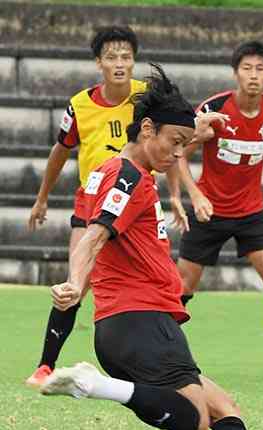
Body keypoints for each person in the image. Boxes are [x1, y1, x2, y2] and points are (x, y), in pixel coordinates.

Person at [39, 65, 263, 430]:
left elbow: (96, 227)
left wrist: (196, 132)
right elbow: (95, 236)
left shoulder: (117, 169)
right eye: (174, 142)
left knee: (225, 409)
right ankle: (93, 384)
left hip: (137, 323)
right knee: (195, 421)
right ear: (147, 129)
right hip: (139, 321)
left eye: (186, 144)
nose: (179, 153)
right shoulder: (128, 177)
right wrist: (73, 281)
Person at [26, 26, 157, 386]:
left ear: (134, 61)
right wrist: (42, 198)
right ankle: (45, 366)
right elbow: (60, 151)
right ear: (99, 62)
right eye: (112, 57)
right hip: (91, 201)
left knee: (150, 282)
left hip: (138, 203)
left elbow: (166, 145)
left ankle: (155, 364)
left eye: (126, 57)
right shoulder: (80, 104)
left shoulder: (147, 97)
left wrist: (179, 196)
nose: (120, 63)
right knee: (76, 283)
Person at [170, 41, 263, 379]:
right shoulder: (215, 110)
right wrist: (195, 195)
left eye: (260, 69)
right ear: (235, 73)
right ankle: (167, 357)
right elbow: (180, 151)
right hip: (209, 210)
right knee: (182, 287)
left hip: (251, 212)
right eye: (247, 68)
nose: (253, 75)